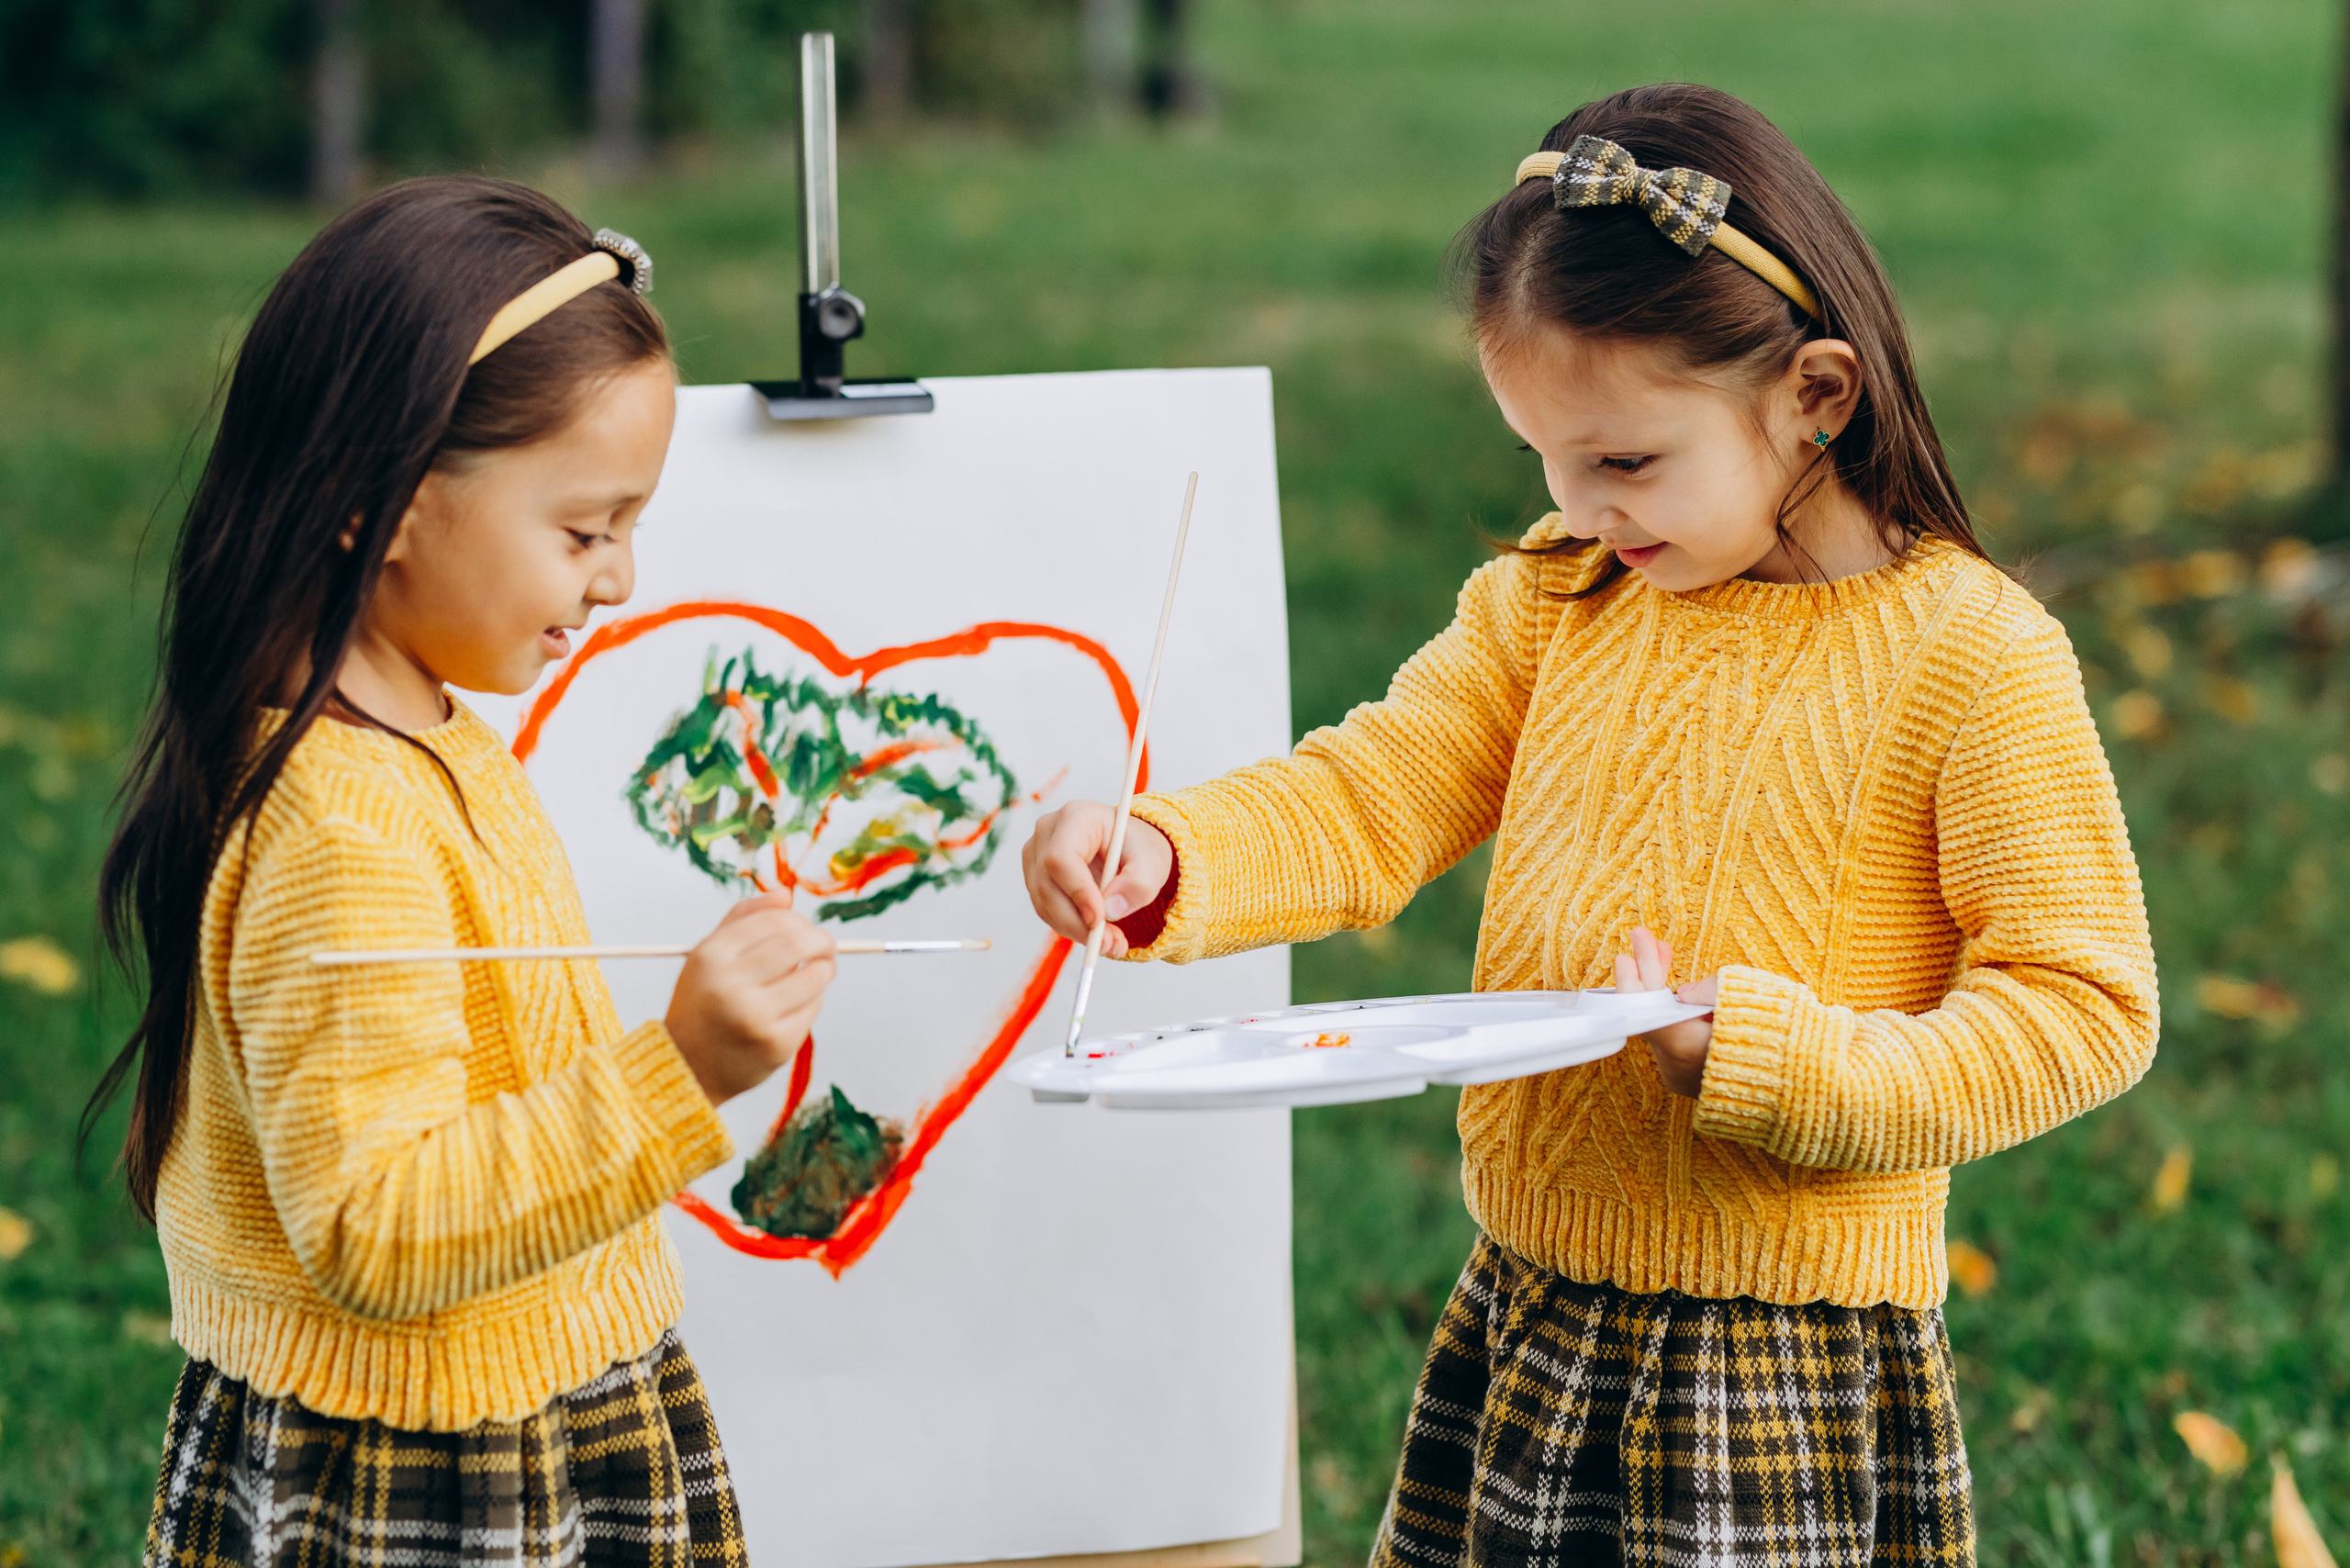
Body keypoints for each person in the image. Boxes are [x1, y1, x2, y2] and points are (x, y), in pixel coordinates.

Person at [1024, 84, 2157, 1565]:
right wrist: (1174, 854)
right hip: (1538, 1309)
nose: (1579, 507)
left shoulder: (1971, 656)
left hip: (1774, 1360)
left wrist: (1775, 1062)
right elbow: (1373, 791)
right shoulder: (1564, 598)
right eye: (1541, 460)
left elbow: (2084, 1009)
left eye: (1624, 462)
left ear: (1816, 393)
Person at [88, 176, 837, 1567]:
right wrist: (678, 1068)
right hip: (426, 1470)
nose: (619, 577)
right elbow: (378, 1226)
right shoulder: (340, 831)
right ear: (386, 506)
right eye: (585, 529)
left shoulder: (435, 741)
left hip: (532, 1400)